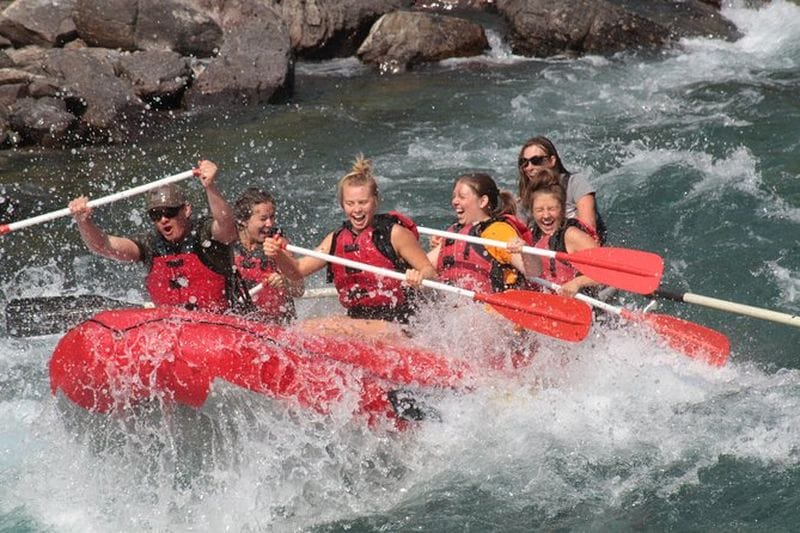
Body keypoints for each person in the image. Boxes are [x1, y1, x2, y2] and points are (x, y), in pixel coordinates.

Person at [68, 160, 244, 312]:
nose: (163, 219)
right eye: (156, 215)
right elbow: (103, 246)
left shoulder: (206, 235)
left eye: (170, 212)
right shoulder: (149, 244)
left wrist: (210, 186)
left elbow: (227, 226)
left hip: (223, 324)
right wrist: (84, 221)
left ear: (186, 210)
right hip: (171, 328)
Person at [295, 154, 437, 323]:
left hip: (399, 321)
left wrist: (419, 276)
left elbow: (430, 272)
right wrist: (277, 252)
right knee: (308, 327)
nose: (357, 210)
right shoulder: (335, 238)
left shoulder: (395, 234)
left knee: (314, 327)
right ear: (342, 205)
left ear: (375, 201)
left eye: (363, 202)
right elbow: (298, 270)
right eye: (350, 203)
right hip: (360, 320)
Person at [427, 172, 539, 293]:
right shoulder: (455, 232)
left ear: (483, 201)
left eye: (462, 197)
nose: (454, 201)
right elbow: (426, 266)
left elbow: (533, 272)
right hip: (454, 301)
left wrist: (525, 251)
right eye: (454, 196)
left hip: (494, 302)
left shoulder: (498, 231)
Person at [512, 169, 600, 298]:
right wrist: (524, 250)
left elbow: (607, 273)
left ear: (562, 209)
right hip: (551, 301)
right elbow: (534, 272)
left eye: (552, 209)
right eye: (539, 210)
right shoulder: (535, 233)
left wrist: (577, 283)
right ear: (532, 211)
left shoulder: (572, 235)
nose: (546, 215)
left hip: (582, 303)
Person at [516, 136, 606, 243]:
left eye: (536, 161)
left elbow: (590, 230)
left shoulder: (575, 183)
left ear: (552, 161)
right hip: (546, 249)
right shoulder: (524, 199)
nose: (529, 167)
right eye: (524, 162)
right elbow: (521, 236)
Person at [234, 187, 304, 323]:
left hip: (277, 324)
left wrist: (284, 282)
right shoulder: (228, 245)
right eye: (263, 218)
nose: (270, 224)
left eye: (272, 217)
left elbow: (299, 290)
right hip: (238, 323)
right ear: (243, 220)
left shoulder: (279, 244)